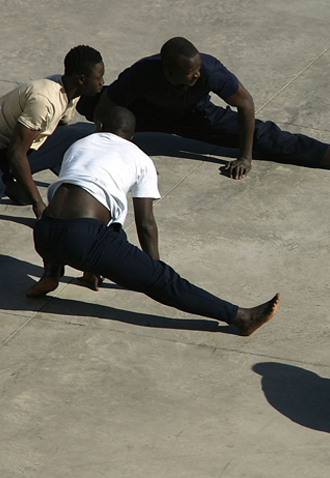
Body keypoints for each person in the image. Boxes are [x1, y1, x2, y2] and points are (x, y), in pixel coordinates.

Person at [26, 107, 279, 337]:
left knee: (86, 221)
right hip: (83, 238)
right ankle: (240, 317)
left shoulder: (81, 143)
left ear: (100, 126)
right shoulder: (141, 159)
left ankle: (52, 272)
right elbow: (145, 222)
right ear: (132, 137)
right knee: (164, 280)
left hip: (45, 234)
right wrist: (154, 269)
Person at [80, 37, 330, 180]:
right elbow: (108, 103)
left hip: (196, 115)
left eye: (198, 70)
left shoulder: (210, 71)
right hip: (145, 113)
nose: (198, 75)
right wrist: (114, 147)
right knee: (89, 103)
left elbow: (245, 104)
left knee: (268, 138)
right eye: (191, 74)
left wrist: (245, 155)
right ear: (169, 73)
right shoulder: (141, 74)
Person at [0, 45, 105, 280]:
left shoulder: (71, 93)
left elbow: (57, 133)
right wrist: (38, 204)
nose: (102, 82)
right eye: (99, 77)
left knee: (84, 135)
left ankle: (11, 181)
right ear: (81, 79)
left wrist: (70, 178)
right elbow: (16, 154)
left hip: (23, 147)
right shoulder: (44, 99)